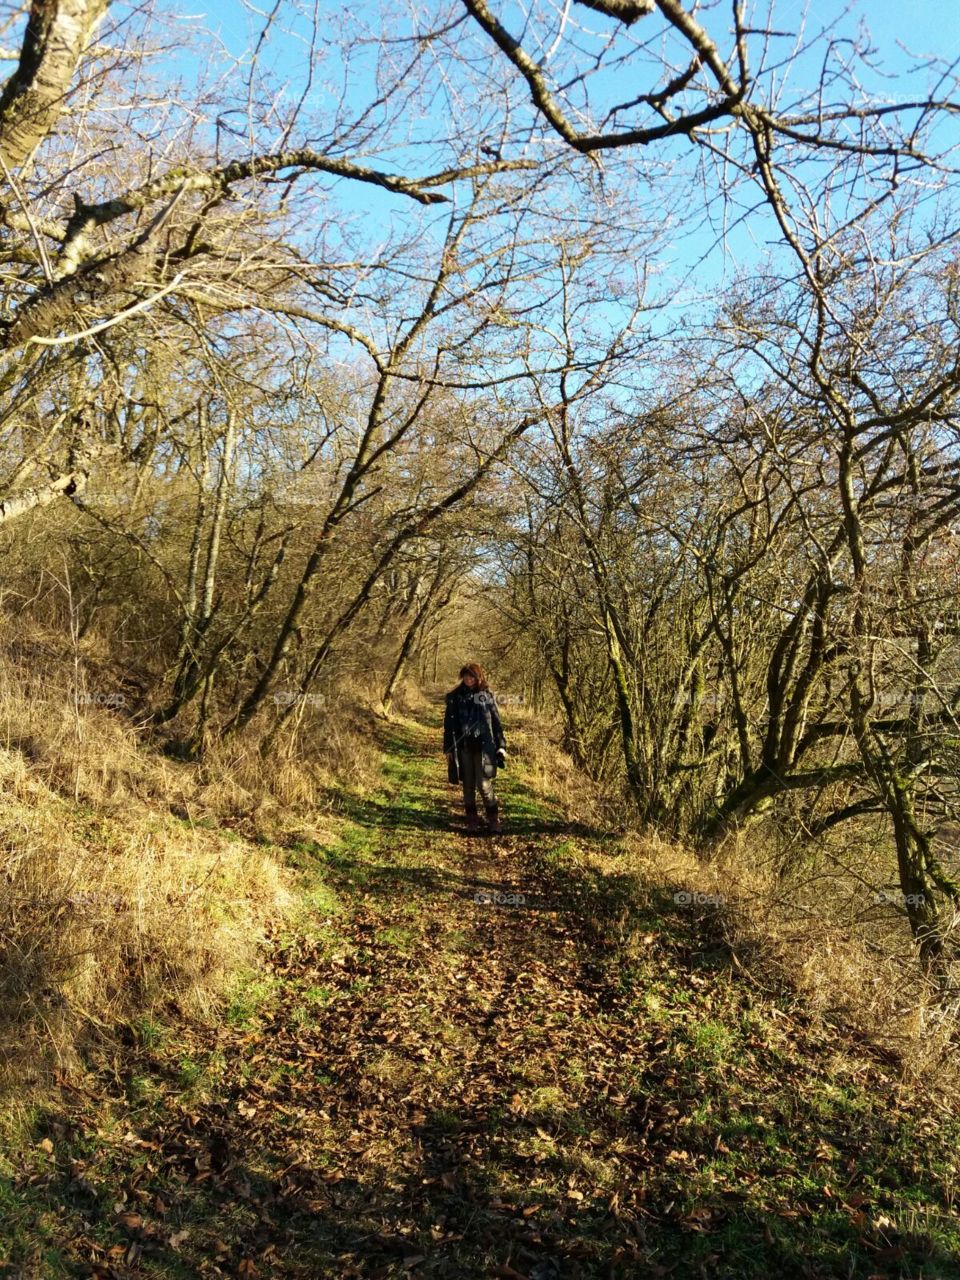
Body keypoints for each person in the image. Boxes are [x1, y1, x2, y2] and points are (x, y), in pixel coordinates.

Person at [443, 662, 507, 833]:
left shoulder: (486, 696)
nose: (468, 679)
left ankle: (493, 819)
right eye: (466, 676)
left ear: (478, 677)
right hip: (464, 747)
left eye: (472, 676)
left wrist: (501, 746)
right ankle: (472, 820)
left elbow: (496, 723)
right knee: (468, 785)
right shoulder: (455, 698)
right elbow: (448, 726)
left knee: (484, 784)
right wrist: (448, 749)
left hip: (484, 748)